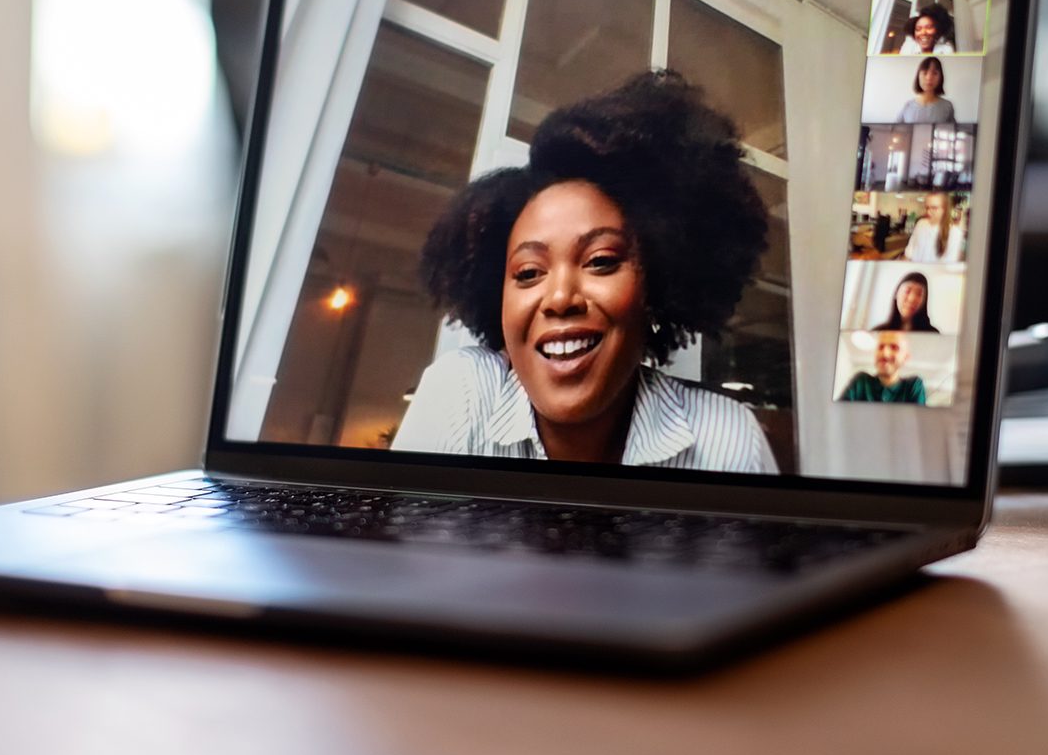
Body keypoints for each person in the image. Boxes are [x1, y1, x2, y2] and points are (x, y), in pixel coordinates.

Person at [392, 71, 779, 472]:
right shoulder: (460, 397)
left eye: (600, 261)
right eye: (528, 273)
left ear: (656, 287)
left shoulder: (727, 442)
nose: (560, 298)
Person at [839, 332, 927, 404]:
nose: (885, 354)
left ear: (905, 358)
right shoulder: (861, 381)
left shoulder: (913, 385)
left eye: (894, 347)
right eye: (880, 347)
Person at [904, 192, 965, 263]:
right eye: (927, 208)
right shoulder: (921, 224)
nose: (929, 212)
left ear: (945, 210)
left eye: (934, 208)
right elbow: (909, 253)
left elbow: (948, 266)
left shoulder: (955, 233)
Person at [872, 271, 939, 333]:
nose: (912, 299)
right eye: (907, 291)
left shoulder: (932, 334)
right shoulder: (878, 332)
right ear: (896, 293)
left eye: (919, 294)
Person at [896, 57, 955, 124]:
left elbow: (952, 130)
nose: (929, 78)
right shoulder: (908, 106)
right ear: (918, 77)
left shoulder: (947, 106)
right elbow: (896, 129)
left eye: (935, 73)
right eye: (925, 73)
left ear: (940, 78)